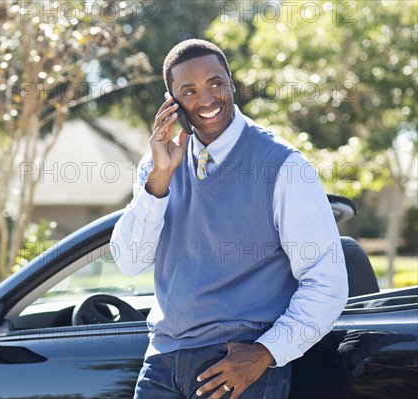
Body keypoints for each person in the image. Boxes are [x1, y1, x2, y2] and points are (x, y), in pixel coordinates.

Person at [110, 39, 348, 399]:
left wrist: (264, 354)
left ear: (231, 83)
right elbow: (129, 262)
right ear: (171, 100)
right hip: (161, 364)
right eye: (189, 91)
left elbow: (327, 281)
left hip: (237, 367)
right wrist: (159, 178)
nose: (206, 100)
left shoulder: (284, 166)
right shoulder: (157, 164)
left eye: (216, 84)